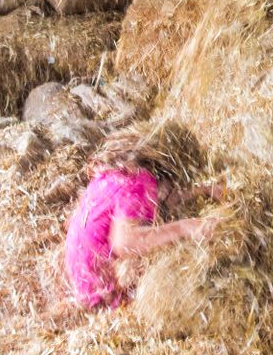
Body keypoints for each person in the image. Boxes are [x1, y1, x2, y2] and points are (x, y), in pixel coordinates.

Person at [63, 122, 221, 309]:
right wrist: (186, 227)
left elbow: (161, 200)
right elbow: (125, 243)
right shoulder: (139, 182)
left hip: (82, 283)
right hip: (105, 296)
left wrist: (201, 191)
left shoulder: (114, 175)